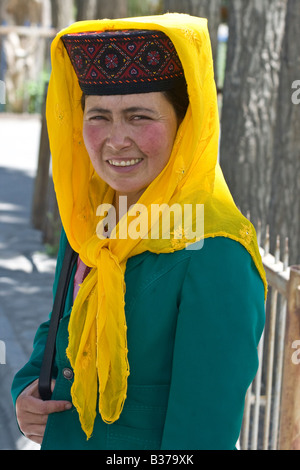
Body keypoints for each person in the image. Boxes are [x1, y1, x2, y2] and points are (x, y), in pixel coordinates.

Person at [11, 14, 266, 450]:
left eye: (138, 116)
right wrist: (28, 387)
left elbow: (200, 440)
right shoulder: (89, 221)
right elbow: (65, 324)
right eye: (99, 117)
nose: (115, 140)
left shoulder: (215, 252)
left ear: (184, 124)